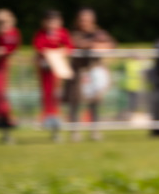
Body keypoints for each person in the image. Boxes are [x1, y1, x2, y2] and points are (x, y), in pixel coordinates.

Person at [67, 8, 116, 139]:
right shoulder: (74, 33)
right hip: (78, 72)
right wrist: (92, 44)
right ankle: (75, 131)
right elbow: (76, 44)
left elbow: (111, 44)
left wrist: (98, 45)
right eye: (82, 19)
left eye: (87, 19)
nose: (84, 22)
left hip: (94, 71)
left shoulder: (99, 32)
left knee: (94, 102)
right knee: (75, 101)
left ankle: (95, 131)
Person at [32, 10, 73, 139]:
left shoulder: (62, 32)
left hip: (58, 67)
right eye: (49, 21)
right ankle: (47, 115)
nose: (52, 23)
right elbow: (38, 46)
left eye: (55, 20)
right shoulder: (41, 34)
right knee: (46, 92)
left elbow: (69, 46)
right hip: (45, 68)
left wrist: (61, 51)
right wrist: (47, 53)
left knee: (57, 92)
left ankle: (55, 115)